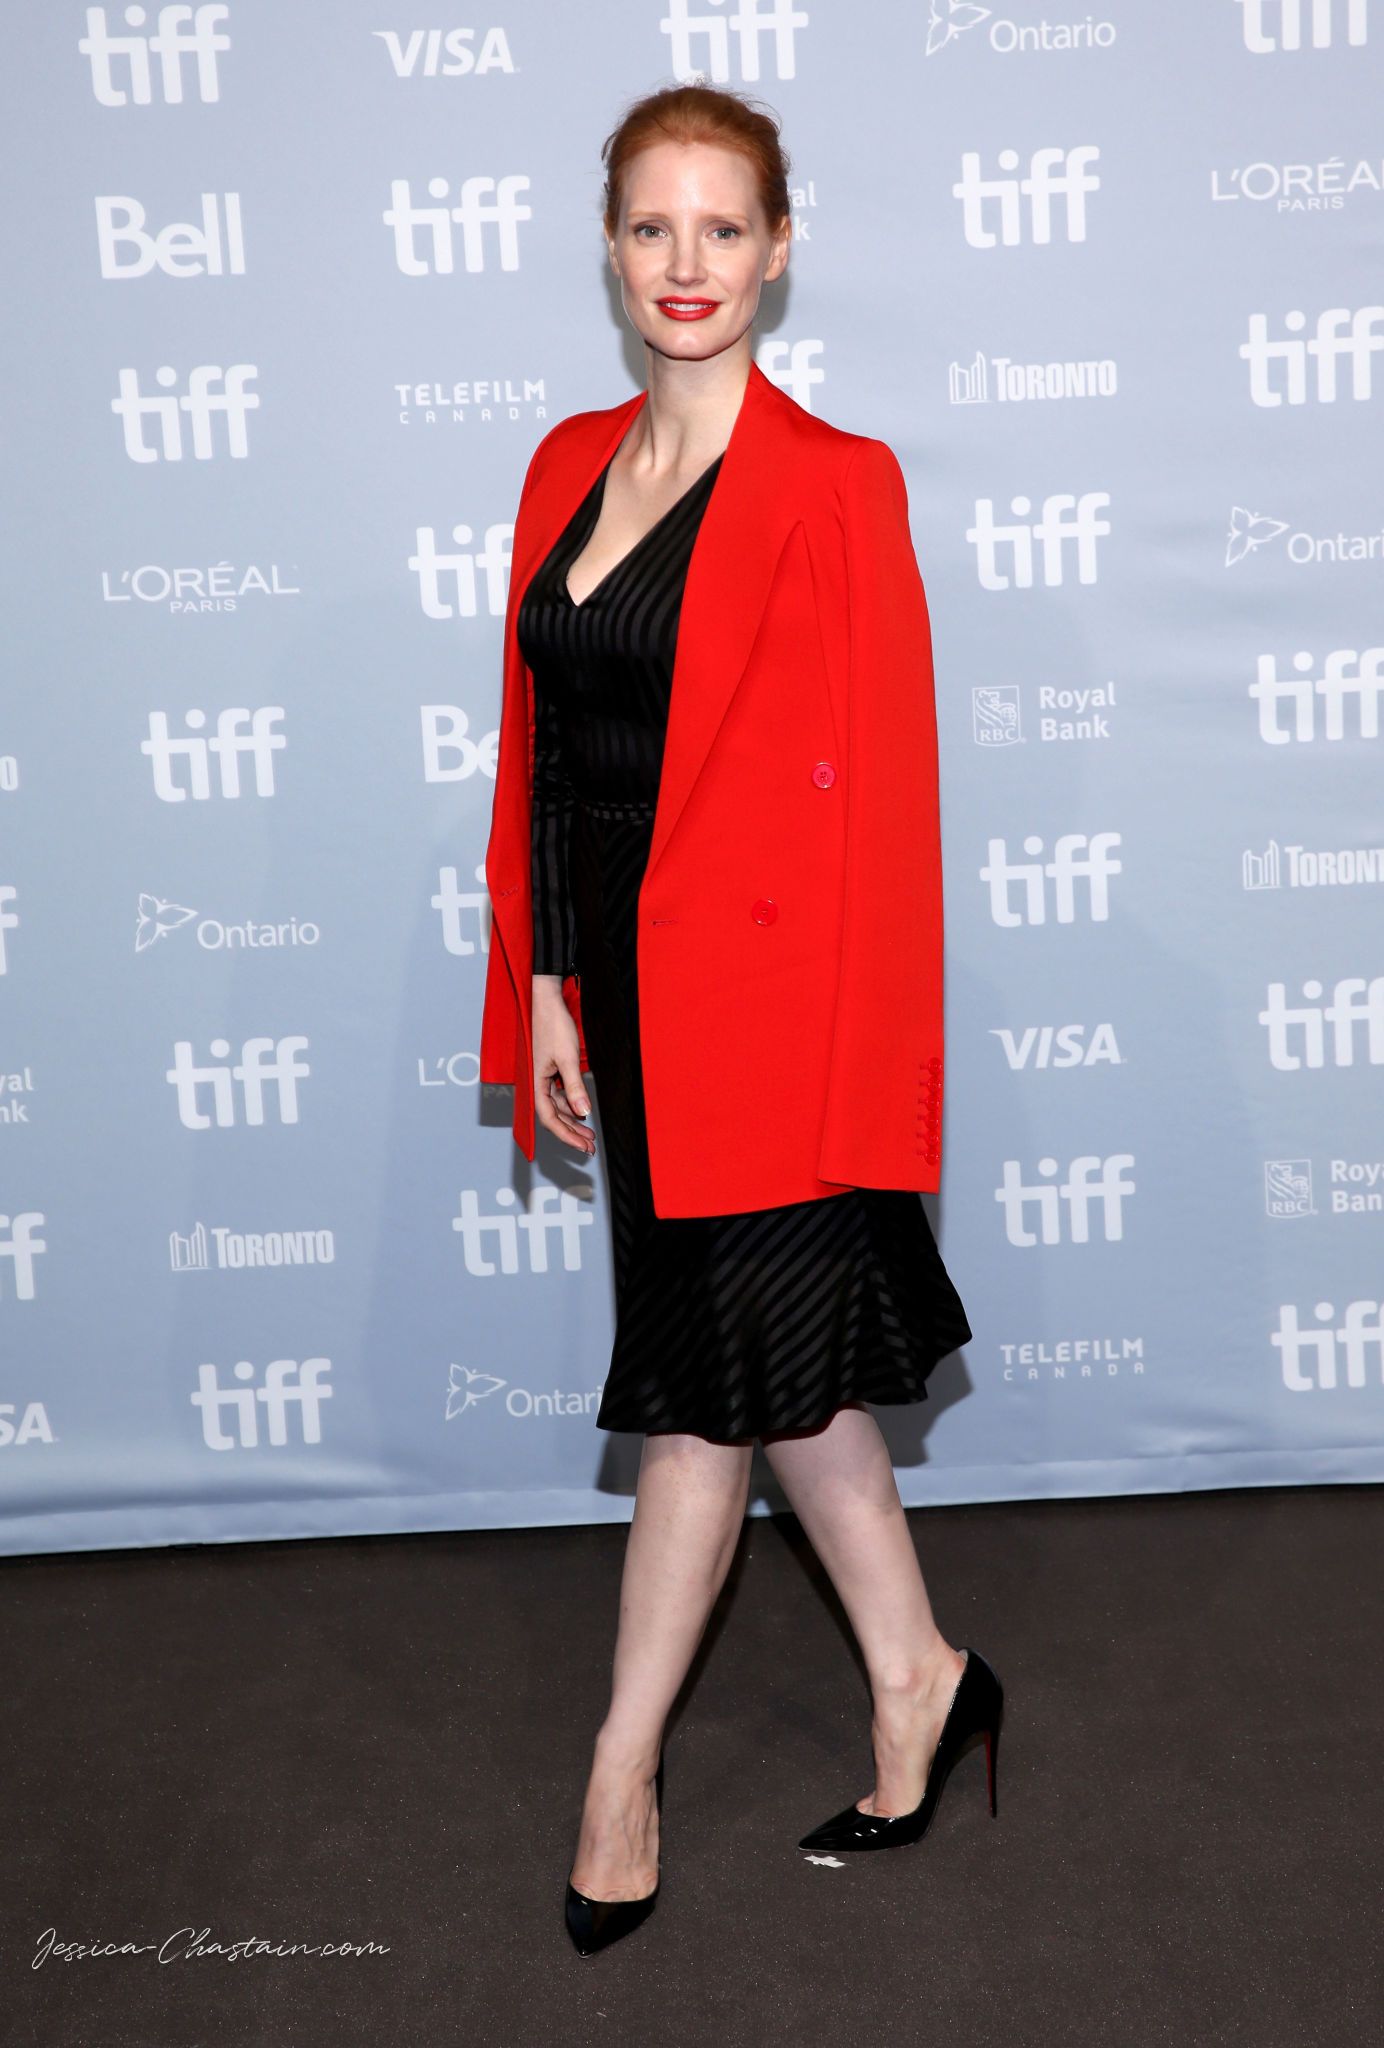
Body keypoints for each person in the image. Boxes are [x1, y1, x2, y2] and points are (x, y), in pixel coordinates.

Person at [479, 81, 1001, 1958]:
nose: (684, 264)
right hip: (628, 1003)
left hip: (775, 1019)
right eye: (651, 227)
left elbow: (891, 810)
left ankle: (620, 1773)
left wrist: (865, 1081)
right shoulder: (565, 463)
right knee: (788, 1386)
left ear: (781, 249)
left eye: (722, 227)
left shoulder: (838, 481)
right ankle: (922, 1675)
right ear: (610, 250)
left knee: (708, 1400)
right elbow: (551, 755)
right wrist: (548, 980)